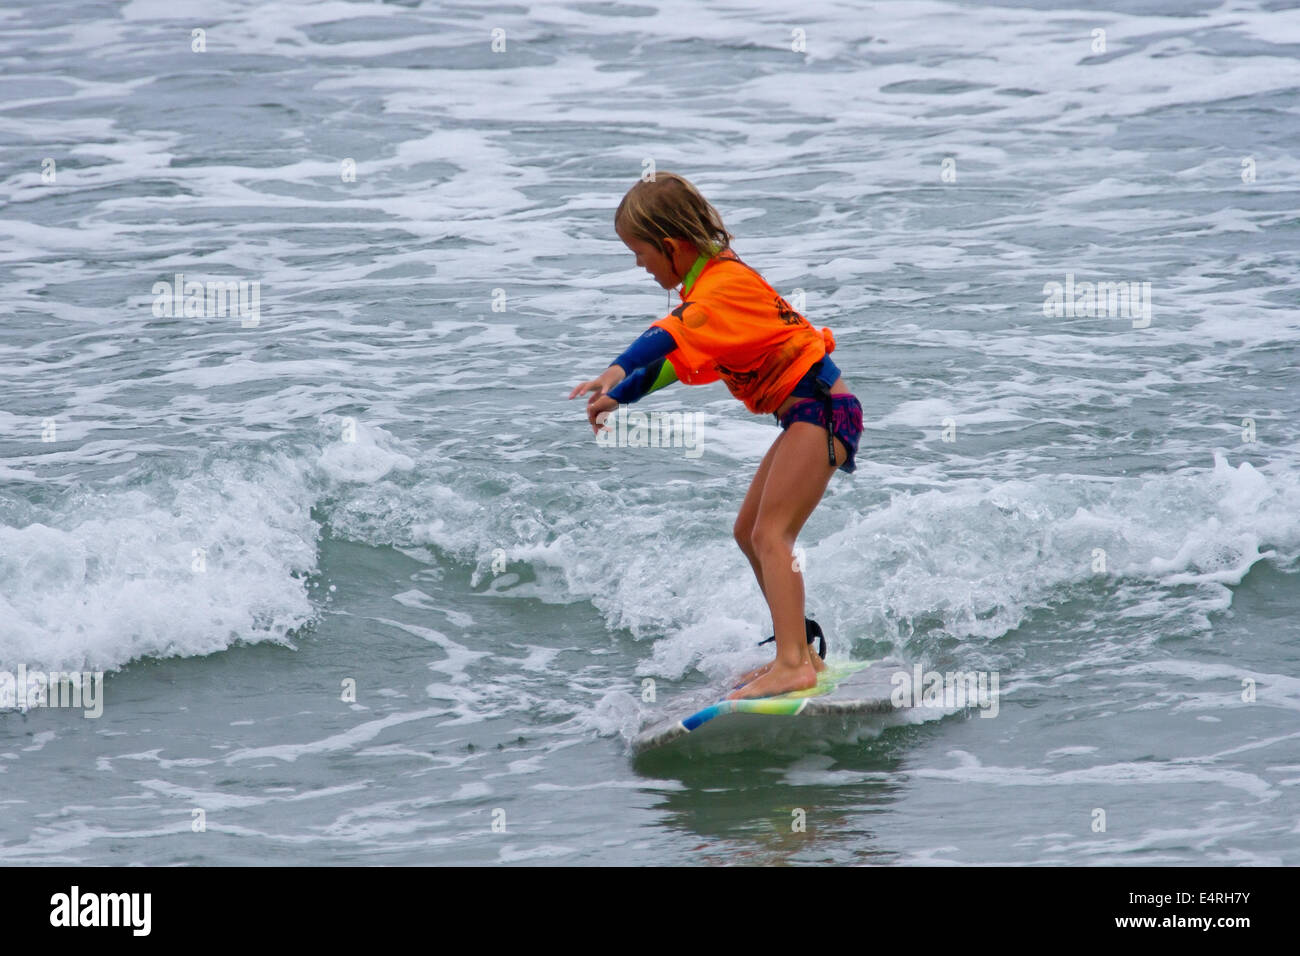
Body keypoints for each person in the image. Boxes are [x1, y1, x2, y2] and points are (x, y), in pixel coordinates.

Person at [569, 172, 863, 700]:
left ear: (671, 245)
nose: (640, 265)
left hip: (822, 411)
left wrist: (615, 370)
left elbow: (666, 334)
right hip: (805, 416)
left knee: (772, 535)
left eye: (640, 253)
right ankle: (795, 655)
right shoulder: (708, 294)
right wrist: (624, 395)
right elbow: (678, 359)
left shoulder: (722, 286)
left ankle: (796, 663)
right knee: (748, 530)